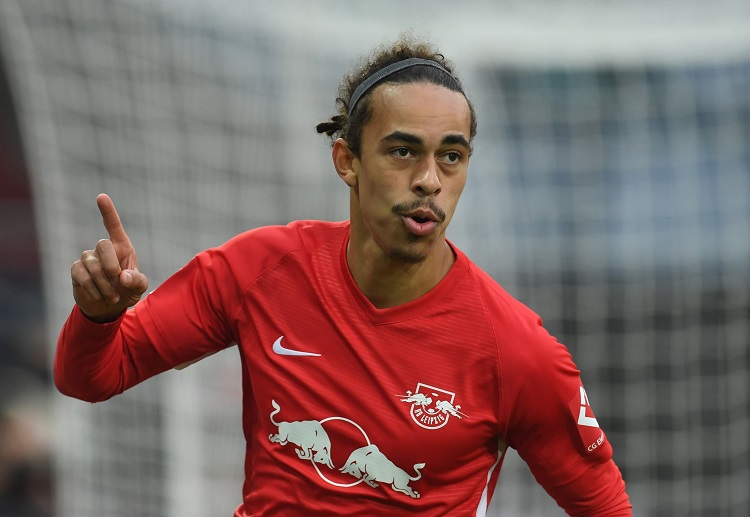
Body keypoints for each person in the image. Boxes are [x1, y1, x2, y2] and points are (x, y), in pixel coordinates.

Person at [55, 36, 632, 516]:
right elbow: (89, 378)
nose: (430, 180)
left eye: (451, 156)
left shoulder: (515, 348)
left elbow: (604, 507)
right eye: (403, 152)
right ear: (347, 161)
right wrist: (99, 315)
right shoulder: (259, 271)